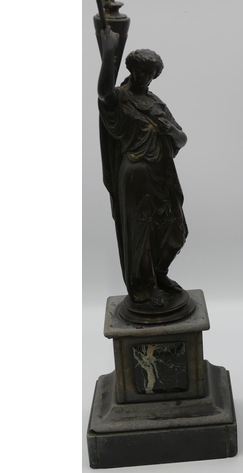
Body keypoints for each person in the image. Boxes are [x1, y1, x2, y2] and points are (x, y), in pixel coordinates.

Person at [97, 27, 188, 307]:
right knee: (142, 233)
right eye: (141, 71)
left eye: (151, 73)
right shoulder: (121, 98)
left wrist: (169, 130)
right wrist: (109, 51)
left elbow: (182, 138)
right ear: (132, 70)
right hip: (136, 172)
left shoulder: (155, 103)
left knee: (176, 231)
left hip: (162, 174)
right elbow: (103, 93)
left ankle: (159, 274)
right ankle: (146, 288)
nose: (145, 77)